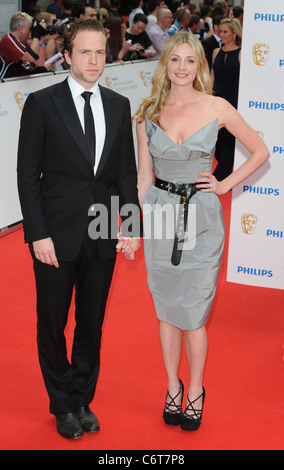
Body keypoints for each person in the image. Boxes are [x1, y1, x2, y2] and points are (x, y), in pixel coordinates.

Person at [134, 31, 269, 431]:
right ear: (165, 64)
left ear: (200, 66)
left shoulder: (216, 106)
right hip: (160, 214)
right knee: (166, 309)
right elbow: (143, 179)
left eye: (189, 61)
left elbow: (260, 151)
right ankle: (172, 385)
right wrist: (130, 225)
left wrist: (225, 184)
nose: (181, 68)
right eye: (174, 60)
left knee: (193, 312)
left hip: (203, 218)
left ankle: (195, 388)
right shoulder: (147, 112)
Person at [17, 18, 141, 440]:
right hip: (55, 235)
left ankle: (83, 397)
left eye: (100, 52)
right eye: (84, 52)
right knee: (52, 324)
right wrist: (37, 233)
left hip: (103, 232)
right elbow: (26, 174)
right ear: (66, 55)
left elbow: (126, 173)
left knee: (92, 323)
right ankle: (61, 403)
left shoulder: (118, 105)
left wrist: (131, 225)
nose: (94, 60)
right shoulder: (42, 103)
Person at [211, 18, 242, 180]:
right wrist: (208, 98)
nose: (221, 35)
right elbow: (212, 76)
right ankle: (224, 169)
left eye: (225, 32)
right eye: (220, 31)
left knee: (229, 139)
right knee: (218, 140)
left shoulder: (240, 54)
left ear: (234, 34)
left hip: (233, 101)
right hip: (216, 100)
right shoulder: (216, 52)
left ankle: (221, 177)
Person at [0, 11, 48, 79]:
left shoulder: (22, 42)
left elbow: (39, 63)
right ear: (21, 28)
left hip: (19, 83)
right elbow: (31, 57)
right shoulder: (7, 40)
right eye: (29, 28)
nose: (30, 32)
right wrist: (36, 34)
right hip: (6, 83)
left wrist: (42, 40)